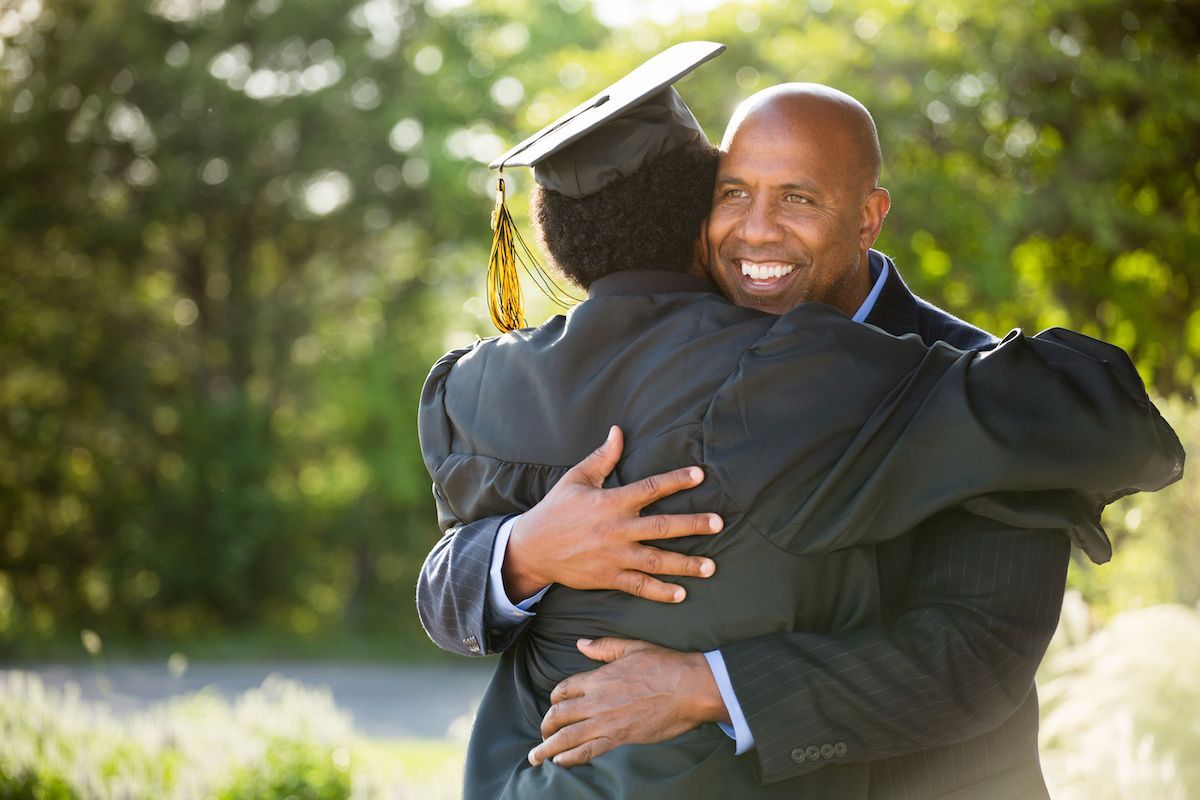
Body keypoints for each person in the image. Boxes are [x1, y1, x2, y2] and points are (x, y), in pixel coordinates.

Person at [418, 51, 1184, 798]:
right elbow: (447, 581)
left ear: (868, 217)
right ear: (692, 212)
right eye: (732, 193)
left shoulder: (971, 382)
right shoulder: (646, 368)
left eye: (798, 199)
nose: (756, 231)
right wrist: (521, 551)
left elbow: (976, 658)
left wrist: (712, 687)